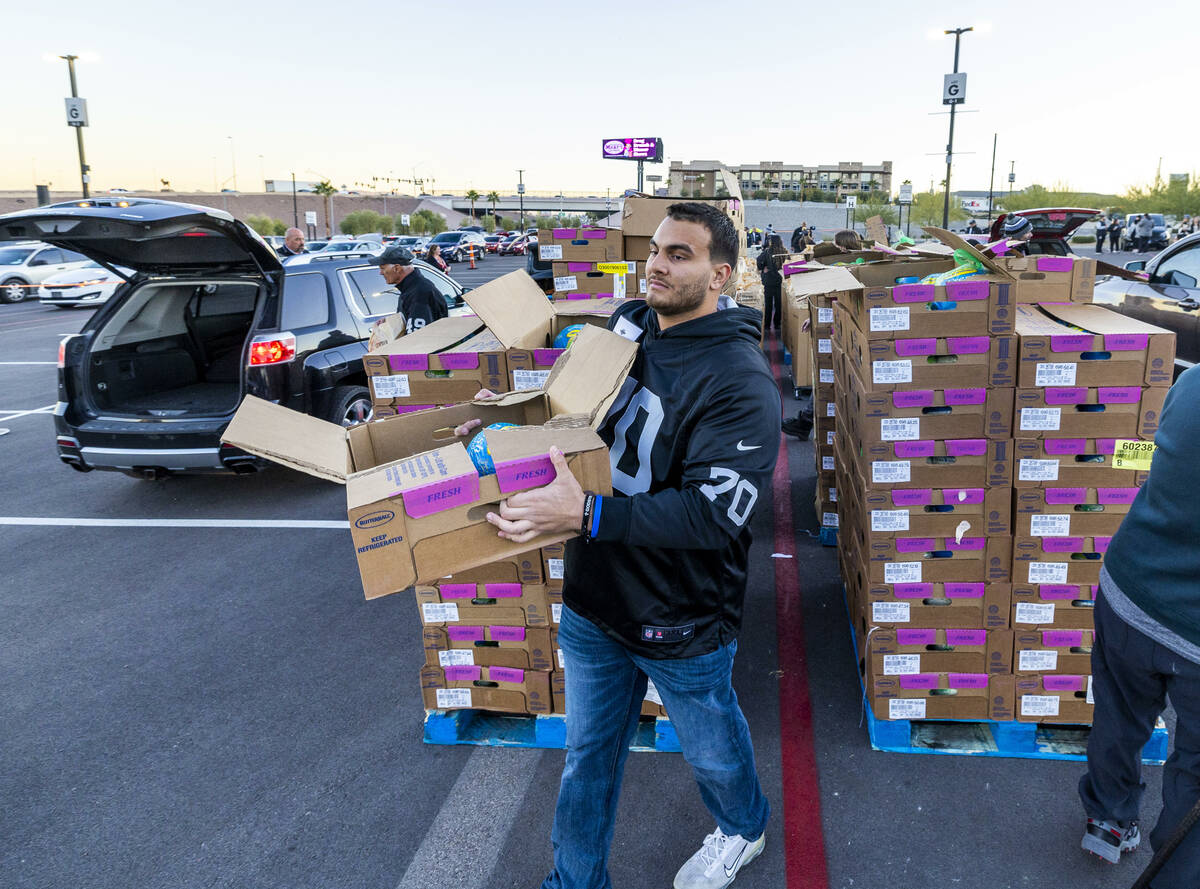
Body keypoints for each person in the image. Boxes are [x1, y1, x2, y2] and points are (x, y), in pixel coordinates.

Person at [468, 202, 779, 889]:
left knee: (713, 757)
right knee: (587, 757)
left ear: (719, 274)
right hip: (593, 598)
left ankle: (743, 825)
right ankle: (573, 881)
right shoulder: (629, 324)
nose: (658, 264)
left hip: (681, 615)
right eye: (657, 249)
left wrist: (584, 512)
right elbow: (579, 410)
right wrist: (519, 408)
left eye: (680, 255)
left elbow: (711, 517)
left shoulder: (740, 380)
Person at [1076, 366, 1200, 887]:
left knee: (1120, 716)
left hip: (1129, 587)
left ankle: (1107, 820)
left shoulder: (1192, 381)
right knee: (1194, 770)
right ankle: (1173, 875)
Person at [369, 244, 447, 333]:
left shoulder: (419, 293)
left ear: (397, 268)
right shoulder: (410, 289)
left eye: (383, 268)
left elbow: (417, 338)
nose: (381, 273)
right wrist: (390, 323)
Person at [757, 233, 786, 334]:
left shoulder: (767, 252)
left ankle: (767, 325)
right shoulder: (784, 252)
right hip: (780, 281)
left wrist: (762, 268)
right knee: (778, 304)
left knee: (768, 304)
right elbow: (788, 264)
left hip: (768, 281)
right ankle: (777, 324)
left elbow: (758, 260)